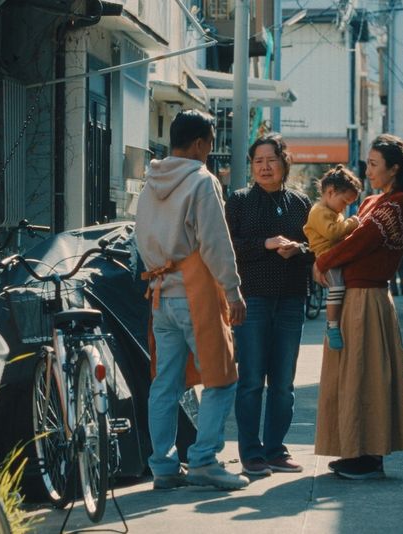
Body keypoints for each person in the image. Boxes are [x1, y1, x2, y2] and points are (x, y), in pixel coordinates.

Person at [135, 110, 249, 490]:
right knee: (221, 377)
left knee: (165, 384)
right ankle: (203, 461)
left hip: (159, 293)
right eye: (210, 145)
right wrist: (232, 290)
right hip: (195, 293)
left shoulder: (149, 182)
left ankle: (164, 466)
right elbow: (215, 242)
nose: (209, 152)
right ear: (200, 143)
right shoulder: (202, 180)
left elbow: (139, 237)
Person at [312, 134, 403, 479]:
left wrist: (322, 261)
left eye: (374, 164)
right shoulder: (377, 200)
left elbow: (358, 242)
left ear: (394, 168)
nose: (368, 170)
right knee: (353, 375)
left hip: (367, 298)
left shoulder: (398, 203)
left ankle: (370, 456)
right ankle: (356, 450)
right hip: (356, 297)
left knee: (366, 375)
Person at [225, 133, 315, 477]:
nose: (264, 167)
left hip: (291, 299)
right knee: (250, 380)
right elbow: (228, 247)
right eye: (258, 161)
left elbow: (316, 248)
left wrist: (299, 250)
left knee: (283, 383)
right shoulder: (239, 200)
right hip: (253, 300)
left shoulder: (300, 202)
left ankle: (276, 450)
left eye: (271, 160)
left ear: (284, 163)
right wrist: (266, 243)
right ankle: (251, 453)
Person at [302, 165, 363, 350]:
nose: (345, 207)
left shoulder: (333, 212)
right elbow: (333, 233)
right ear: (330, 192)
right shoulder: (319, 212)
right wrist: (352, 223)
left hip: (334, 255)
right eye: (344, 202)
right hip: (326, 257)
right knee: (337, 288)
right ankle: (332, 325)